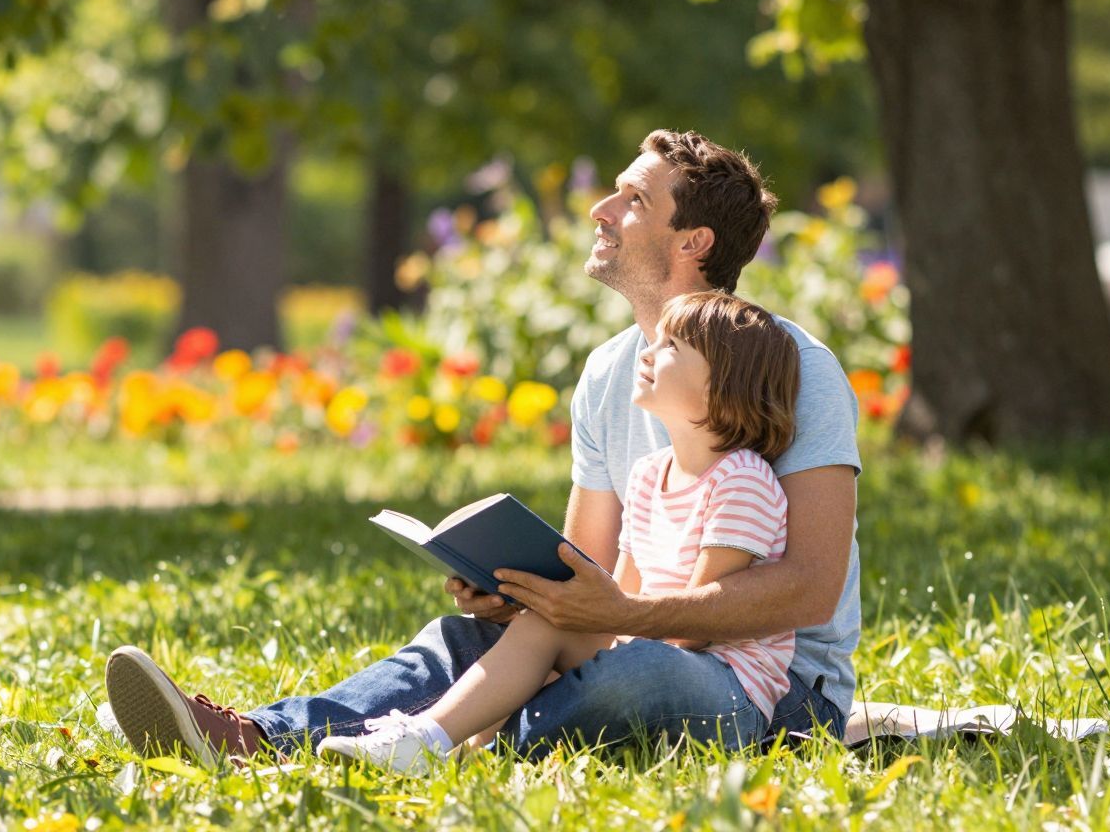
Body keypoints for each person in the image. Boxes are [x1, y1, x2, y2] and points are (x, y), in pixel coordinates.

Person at [103, 129, 861, 765]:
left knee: (632, 675)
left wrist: (621, 610)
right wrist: (516, 591)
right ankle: (261, 738)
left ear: (693, 241)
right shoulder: (608, 375)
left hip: (782, 694)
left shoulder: (795, 368)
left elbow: (811, 588)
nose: (600, 210)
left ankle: (460, 745)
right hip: (642, 638)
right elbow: (588, 570)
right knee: (461, 639)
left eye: (632, 200)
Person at [315, 291, 800, 773]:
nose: (648, 351)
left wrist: (607, 655)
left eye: (672, 346)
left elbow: (700, 625)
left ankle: (475, 753)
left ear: (724, 385)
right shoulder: (649, 474)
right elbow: (622, 598)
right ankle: (429, 741)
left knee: (633, 669)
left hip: (725, 688)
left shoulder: (743, 477)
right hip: (651, 649)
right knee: (544, 625)